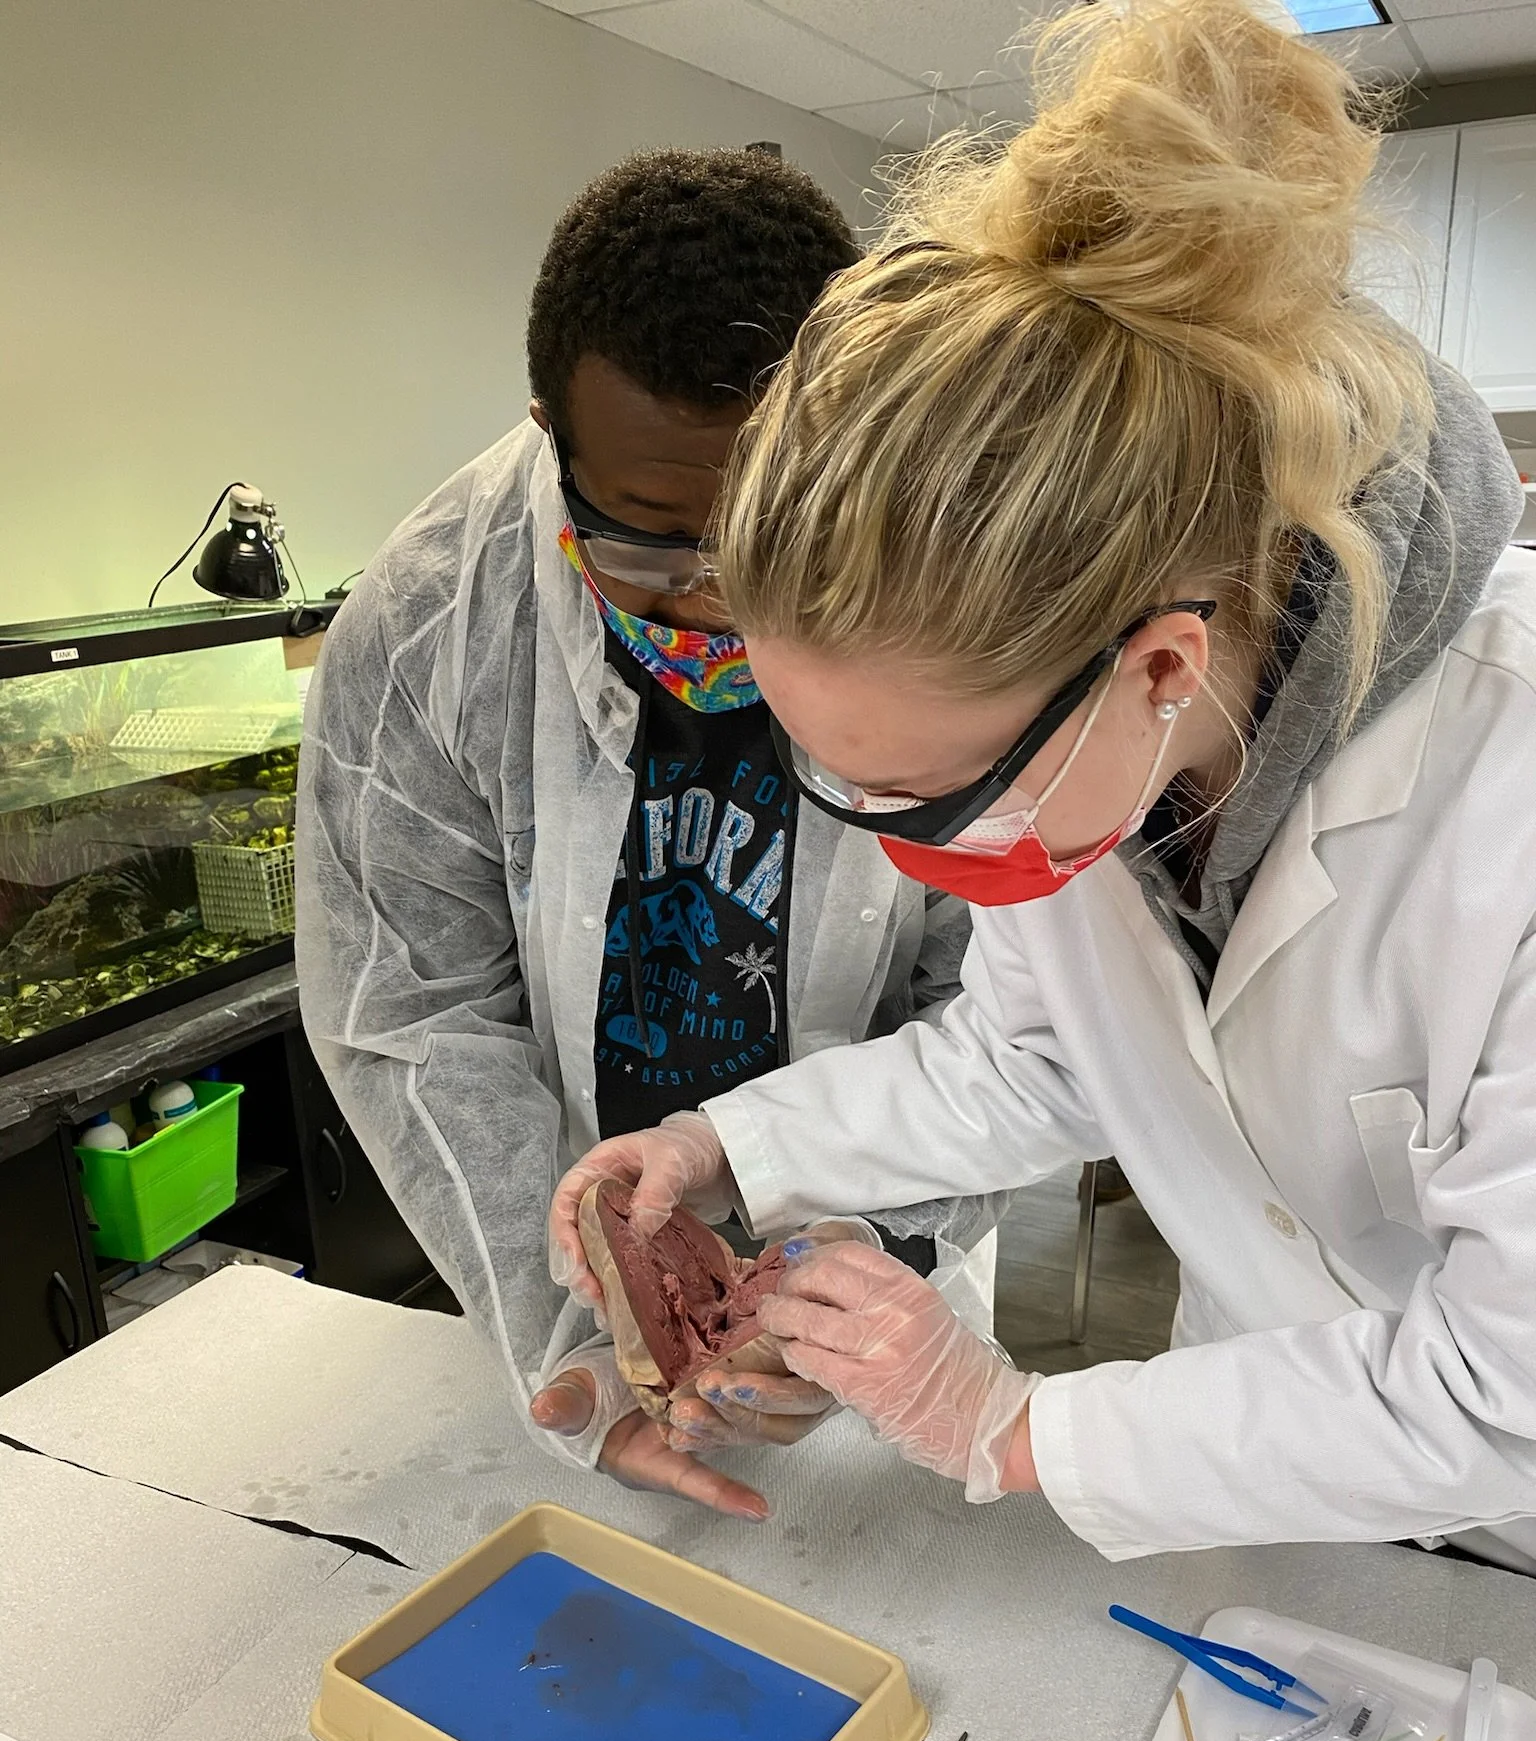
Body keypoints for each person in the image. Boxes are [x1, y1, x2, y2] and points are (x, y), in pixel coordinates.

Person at [550, 0, 1536, 1568]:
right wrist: (724, 1146)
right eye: (851, 788)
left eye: (938, 800)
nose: (918, 860)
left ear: (1157, 667)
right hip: (1268, 1474)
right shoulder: (1097, 759)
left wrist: (1016, 1427)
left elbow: (1509, 1386)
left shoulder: (1510, 778)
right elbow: (1034, 1061)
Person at [297, 148, 1006, 1523]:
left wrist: (869, 1257)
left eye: (764, 536)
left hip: (887, 1257)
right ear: (550, 439)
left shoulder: (945, 582)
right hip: (569, 1272)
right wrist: (577, 1330)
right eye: (646, 544)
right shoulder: (432, 625)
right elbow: (413, 1013)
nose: (709, 604)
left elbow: (1005, 1011)